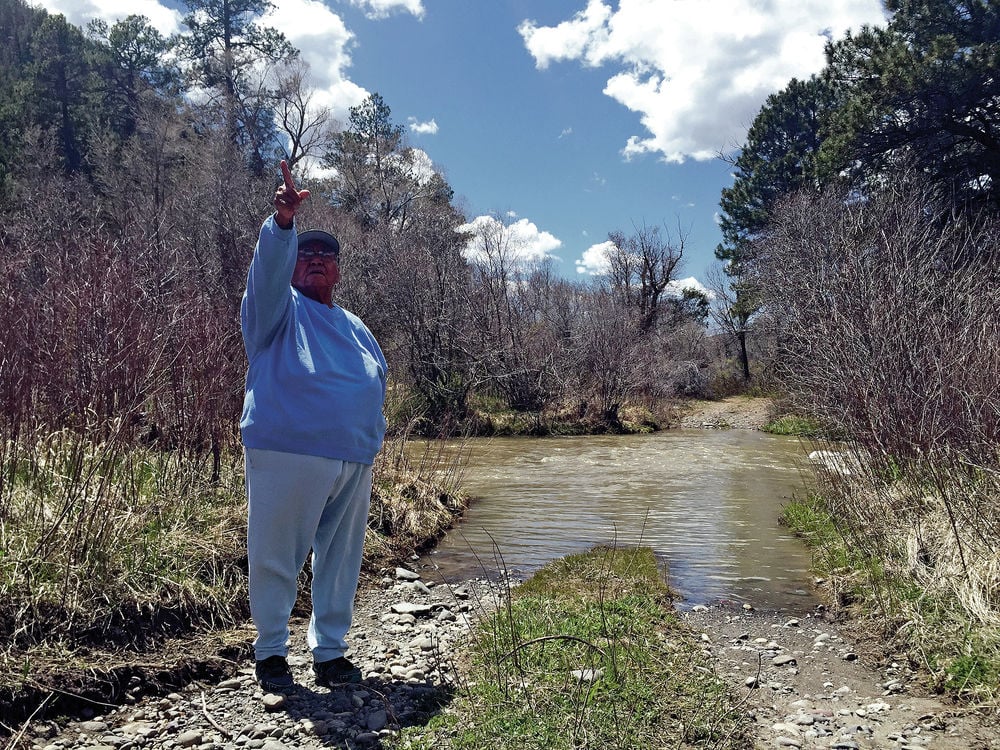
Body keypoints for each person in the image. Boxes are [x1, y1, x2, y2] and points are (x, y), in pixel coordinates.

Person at [240, 160, 388, 691]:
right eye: (308, 253)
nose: (317, 260)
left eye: (327, 254)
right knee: (277, 554)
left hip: (353, 458)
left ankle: (330, 652)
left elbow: (377, 380)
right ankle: (271, 652)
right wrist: (282, 228)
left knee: (341, 562)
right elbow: (268, 274)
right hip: (287, 450)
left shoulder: (356, 327)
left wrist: (372, 436)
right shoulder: (275, 311)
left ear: (340, 270)